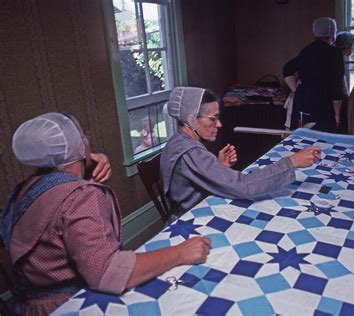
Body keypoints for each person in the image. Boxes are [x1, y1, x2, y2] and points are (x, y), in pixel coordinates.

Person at [0, 112, 211, 315]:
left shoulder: (23, 190)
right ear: (79, 147)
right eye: (83, 136)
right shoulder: (81, 196)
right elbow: (108, 272)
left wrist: (86, 169)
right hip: (73, 304)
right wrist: (181, 252)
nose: (87, 139)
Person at [160, 87, 321, 218]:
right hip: (191, 221)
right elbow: (243, 186)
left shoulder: (178, 141)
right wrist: (291, 162)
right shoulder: (192, 153)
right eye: (213, 119)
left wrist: (219, 166)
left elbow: (193, 179)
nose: (219, 124)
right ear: (191, 120)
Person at [282, 17, 344, 132]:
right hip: (323, 103)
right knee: (323, 139)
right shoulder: (335, 53)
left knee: (303, 138)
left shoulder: (306, 50)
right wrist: (337, 114)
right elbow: (336, 87)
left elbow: (287, 68)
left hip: (303, 100)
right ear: (332, 32)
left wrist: (297, 89)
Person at [334, 31, 354, 134]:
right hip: (337, 101)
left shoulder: (338, 57)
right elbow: (338, 85)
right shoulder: (337, 58)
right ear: (348, 46)